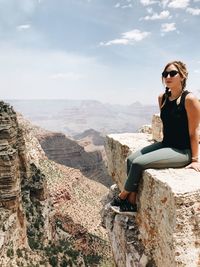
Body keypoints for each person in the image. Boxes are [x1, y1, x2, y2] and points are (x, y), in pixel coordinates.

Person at [111, 60, 200, 215]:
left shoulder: (190, 99)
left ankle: (122, 196)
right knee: (131, 159)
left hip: (182, 151)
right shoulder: (162, 98)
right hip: (166, 144)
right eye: (165, 74)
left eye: (173, 73)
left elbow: (194, 132)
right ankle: (132, 203)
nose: (168, 76)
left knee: (138, 163)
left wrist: (194, 159)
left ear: (183, 76)